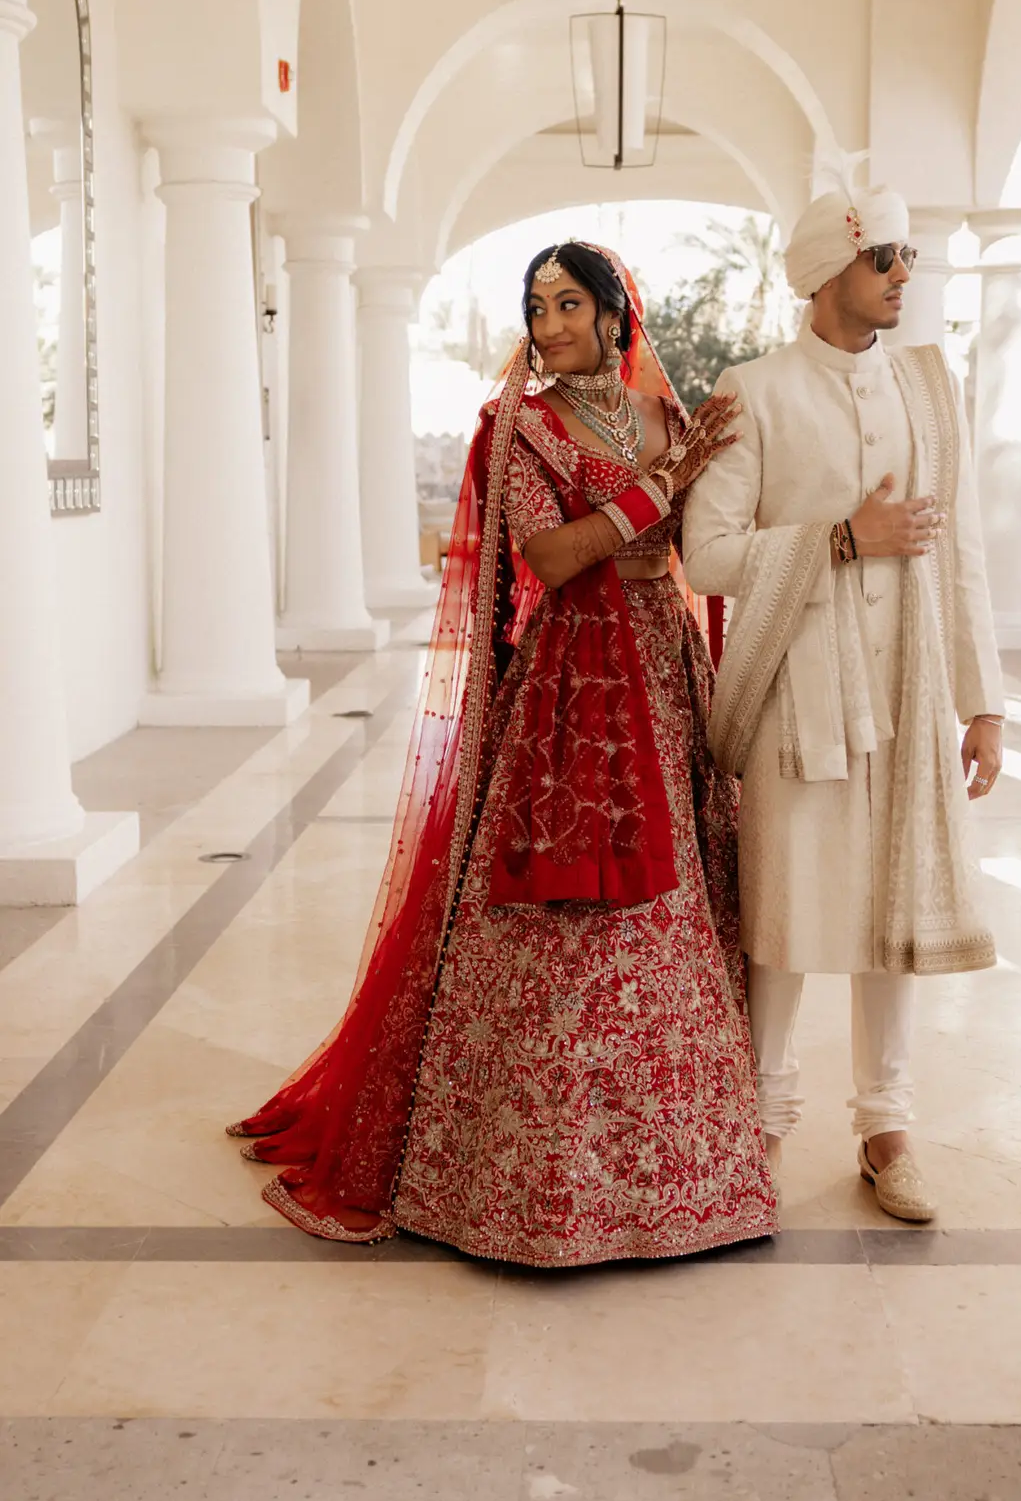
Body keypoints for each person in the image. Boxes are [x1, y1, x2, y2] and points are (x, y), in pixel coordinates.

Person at [230, 240, 776, 1266]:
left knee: (683, 902)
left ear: (615, 314)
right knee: (566, 921)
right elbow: (552, 559)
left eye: (569, 304)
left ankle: (686, 1173)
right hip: (575, 690)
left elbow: (709, 548)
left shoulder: (670, 417)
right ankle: (526, 1180)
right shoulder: (520, 426)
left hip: (666, 680)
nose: (549, 324)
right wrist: (663, 485)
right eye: (537, 306)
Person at [682, 165, 1005, 1224]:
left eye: (907, 255)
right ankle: (762, 1122)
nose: (904, 273)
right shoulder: (754, 391)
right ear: (828, 273)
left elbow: (960, 552)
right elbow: (706, 553)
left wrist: (983, 703)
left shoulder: (928, 390)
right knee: (786, 905)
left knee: (892, 904)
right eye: (883, 258)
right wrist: (839, 538)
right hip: (798, 689)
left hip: (908, 684)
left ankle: (886, 1127)